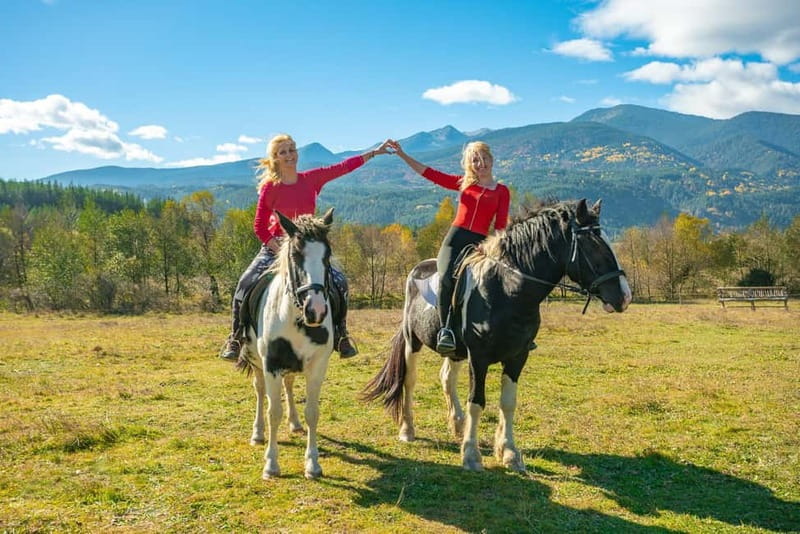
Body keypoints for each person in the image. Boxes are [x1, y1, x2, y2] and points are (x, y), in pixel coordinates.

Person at [220, 134, 392, 361]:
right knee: (245, 283)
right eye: (283, 152)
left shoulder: (311, 179)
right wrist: (278, 250)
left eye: (292, 150)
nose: (290, 155)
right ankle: (236, 337)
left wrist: (374, 153)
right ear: (275, 158)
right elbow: (260, 226)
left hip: (308, 250)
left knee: (339, 282)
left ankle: (341, 334)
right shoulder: (270, 188)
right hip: (276, 247)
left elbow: (343, 167)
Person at [387, 139, 510, 354]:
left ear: (492, 160)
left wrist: (489, 246)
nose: (481, 164)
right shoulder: (464, 183)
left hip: (481, 243)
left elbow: (500, 226)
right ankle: (446, 331)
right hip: (454, 240)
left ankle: (511, 328)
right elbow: (429, 173)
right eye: (475, 161)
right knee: (445, 278)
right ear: (470, 165)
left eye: (484, 159)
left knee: (502, 279)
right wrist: (402, 154)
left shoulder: (502, 191)